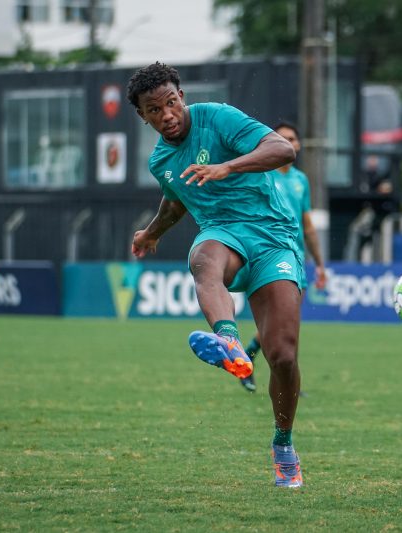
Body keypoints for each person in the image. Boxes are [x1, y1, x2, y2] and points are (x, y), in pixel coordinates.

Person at [128, 62, 305, 487]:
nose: (166, 115)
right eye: (155, 110)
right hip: (223, 235)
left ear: (182, 96)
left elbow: (283, 150)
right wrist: (151, 233)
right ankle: (229, 342)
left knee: (282, 355)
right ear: (143, 116)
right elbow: (176, 202)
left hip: (273, 236)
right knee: (204, 259)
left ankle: (283, 444)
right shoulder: (161, 159)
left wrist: (228, 167)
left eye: (171, 103)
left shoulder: (218, 118)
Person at [241, 121, 327, 393]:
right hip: (270, 255)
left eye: (292, 138)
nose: (288, 141)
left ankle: (275, 369)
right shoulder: (264, 174)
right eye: (282, 138)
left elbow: (308, 224)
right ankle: (255, 363)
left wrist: (320, 263)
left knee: (289, 321)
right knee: (279, 320)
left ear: (298, 144)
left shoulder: (301, 180)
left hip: (297, 256)